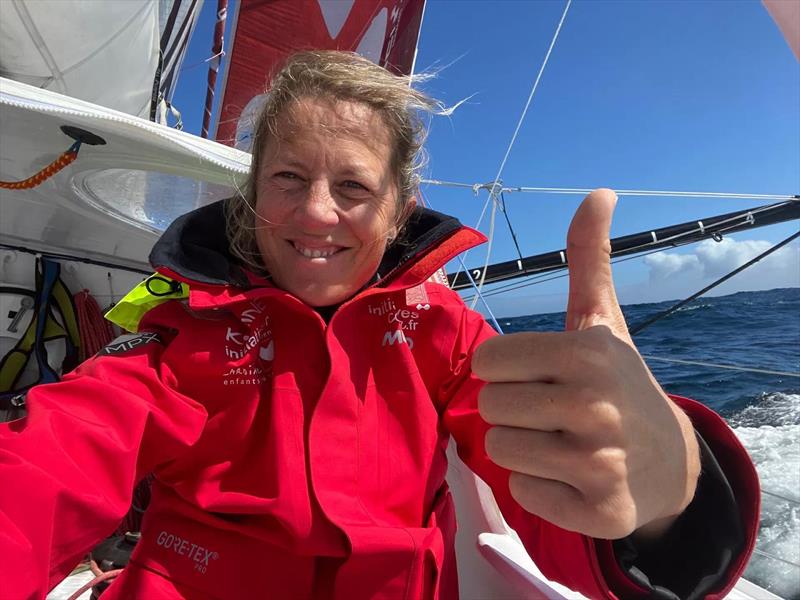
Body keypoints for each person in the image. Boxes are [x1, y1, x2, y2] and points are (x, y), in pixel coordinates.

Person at [0, 51, 758, 600]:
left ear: (397, 210)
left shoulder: (447, 336)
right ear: (252, 198)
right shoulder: (181, 334)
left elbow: (549, 493)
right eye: (288, 179)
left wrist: (670, 508)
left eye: (353, 186)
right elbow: (53, 460)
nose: (317, 212)